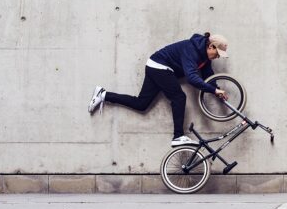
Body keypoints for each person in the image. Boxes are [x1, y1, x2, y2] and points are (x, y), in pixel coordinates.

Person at [87, 32, 230, 147]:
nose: (217, 57)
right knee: (179, 97)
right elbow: (192, 78)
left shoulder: (205, 58)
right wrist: (213, 91)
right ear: (210, 46)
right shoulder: (191, 50)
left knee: (141, 104)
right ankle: (178, 136)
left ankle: (103, 94)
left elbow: (208, 75)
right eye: (217, 53)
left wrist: (216, 89)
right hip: (160, 67)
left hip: (155, 65)